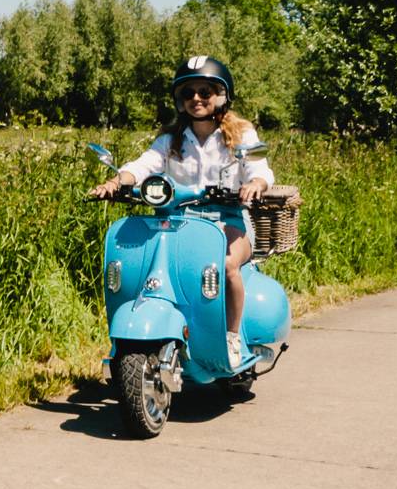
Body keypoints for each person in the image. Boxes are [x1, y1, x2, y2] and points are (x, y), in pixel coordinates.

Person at [88, 55, 274, 367]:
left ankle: (230, 336)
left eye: (205, 91)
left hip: (227, 221)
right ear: (179, 99)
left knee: (227, 264)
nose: (197, 99)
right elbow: (144, 165)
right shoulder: (171, 138)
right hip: (177, 223)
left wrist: (255, 183)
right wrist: (116, 181)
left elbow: (260, 169)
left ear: (222, 95)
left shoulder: (241, 134)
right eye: (188, 93)